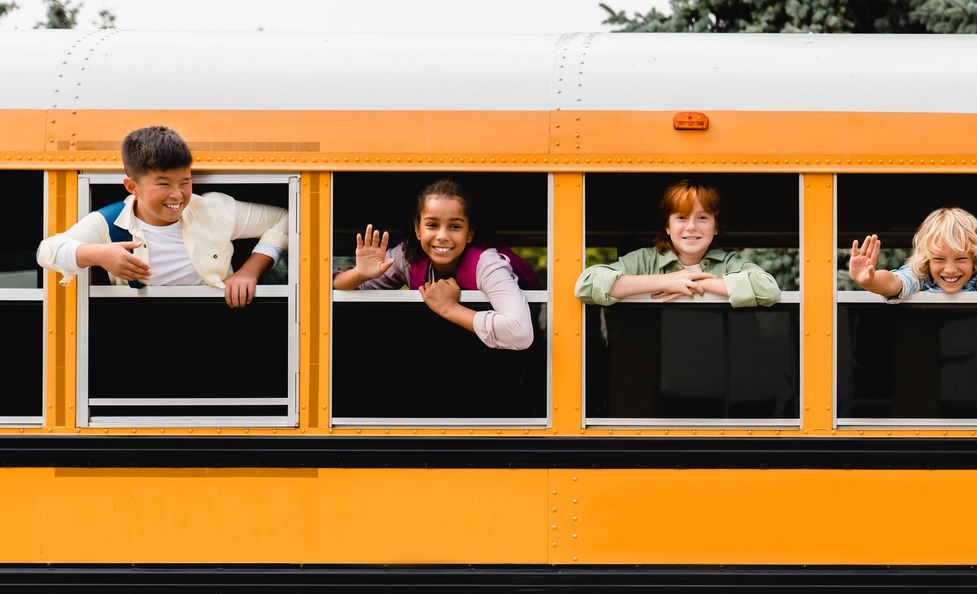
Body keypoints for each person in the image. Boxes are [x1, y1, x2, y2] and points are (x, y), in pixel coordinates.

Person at [36, 125, 288, 308]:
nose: (177, 195)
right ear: (132, 187)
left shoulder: (216, 208)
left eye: (185, 182)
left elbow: (287, 218)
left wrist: (249, 271)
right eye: (163, 184)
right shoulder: (109, 221)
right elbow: (47, 251)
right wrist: (99, 255)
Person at [334, 178, 536, 351]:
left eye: (455, 226)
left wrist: (448, 308)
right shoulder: (406, 255)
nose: (442, 236)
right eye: (432, 225)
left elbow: (520, 333)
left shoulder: (487, 264)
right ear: (417, 229)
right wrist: (360, 274)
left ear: (470, 233)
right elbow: (340, 286)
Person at [575, 180, 780, 308]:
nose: (691, 227)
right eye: (681, 217)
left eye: (702, 218)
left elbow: (769, 291)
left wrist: (696, 283)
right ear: (667, 225)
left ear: (716, 226)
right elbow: (586, 286)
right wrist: (665, 281)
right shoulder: (644, 260)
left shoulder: (729, 262)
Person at [848, 207, 977, 302]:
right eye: (939, 259)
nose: (950, 269)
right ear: (927, 259)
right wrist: (869, 281)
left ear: (975, 259)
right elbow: (893, 283)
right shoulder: (921, 276)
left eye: (961, 258)